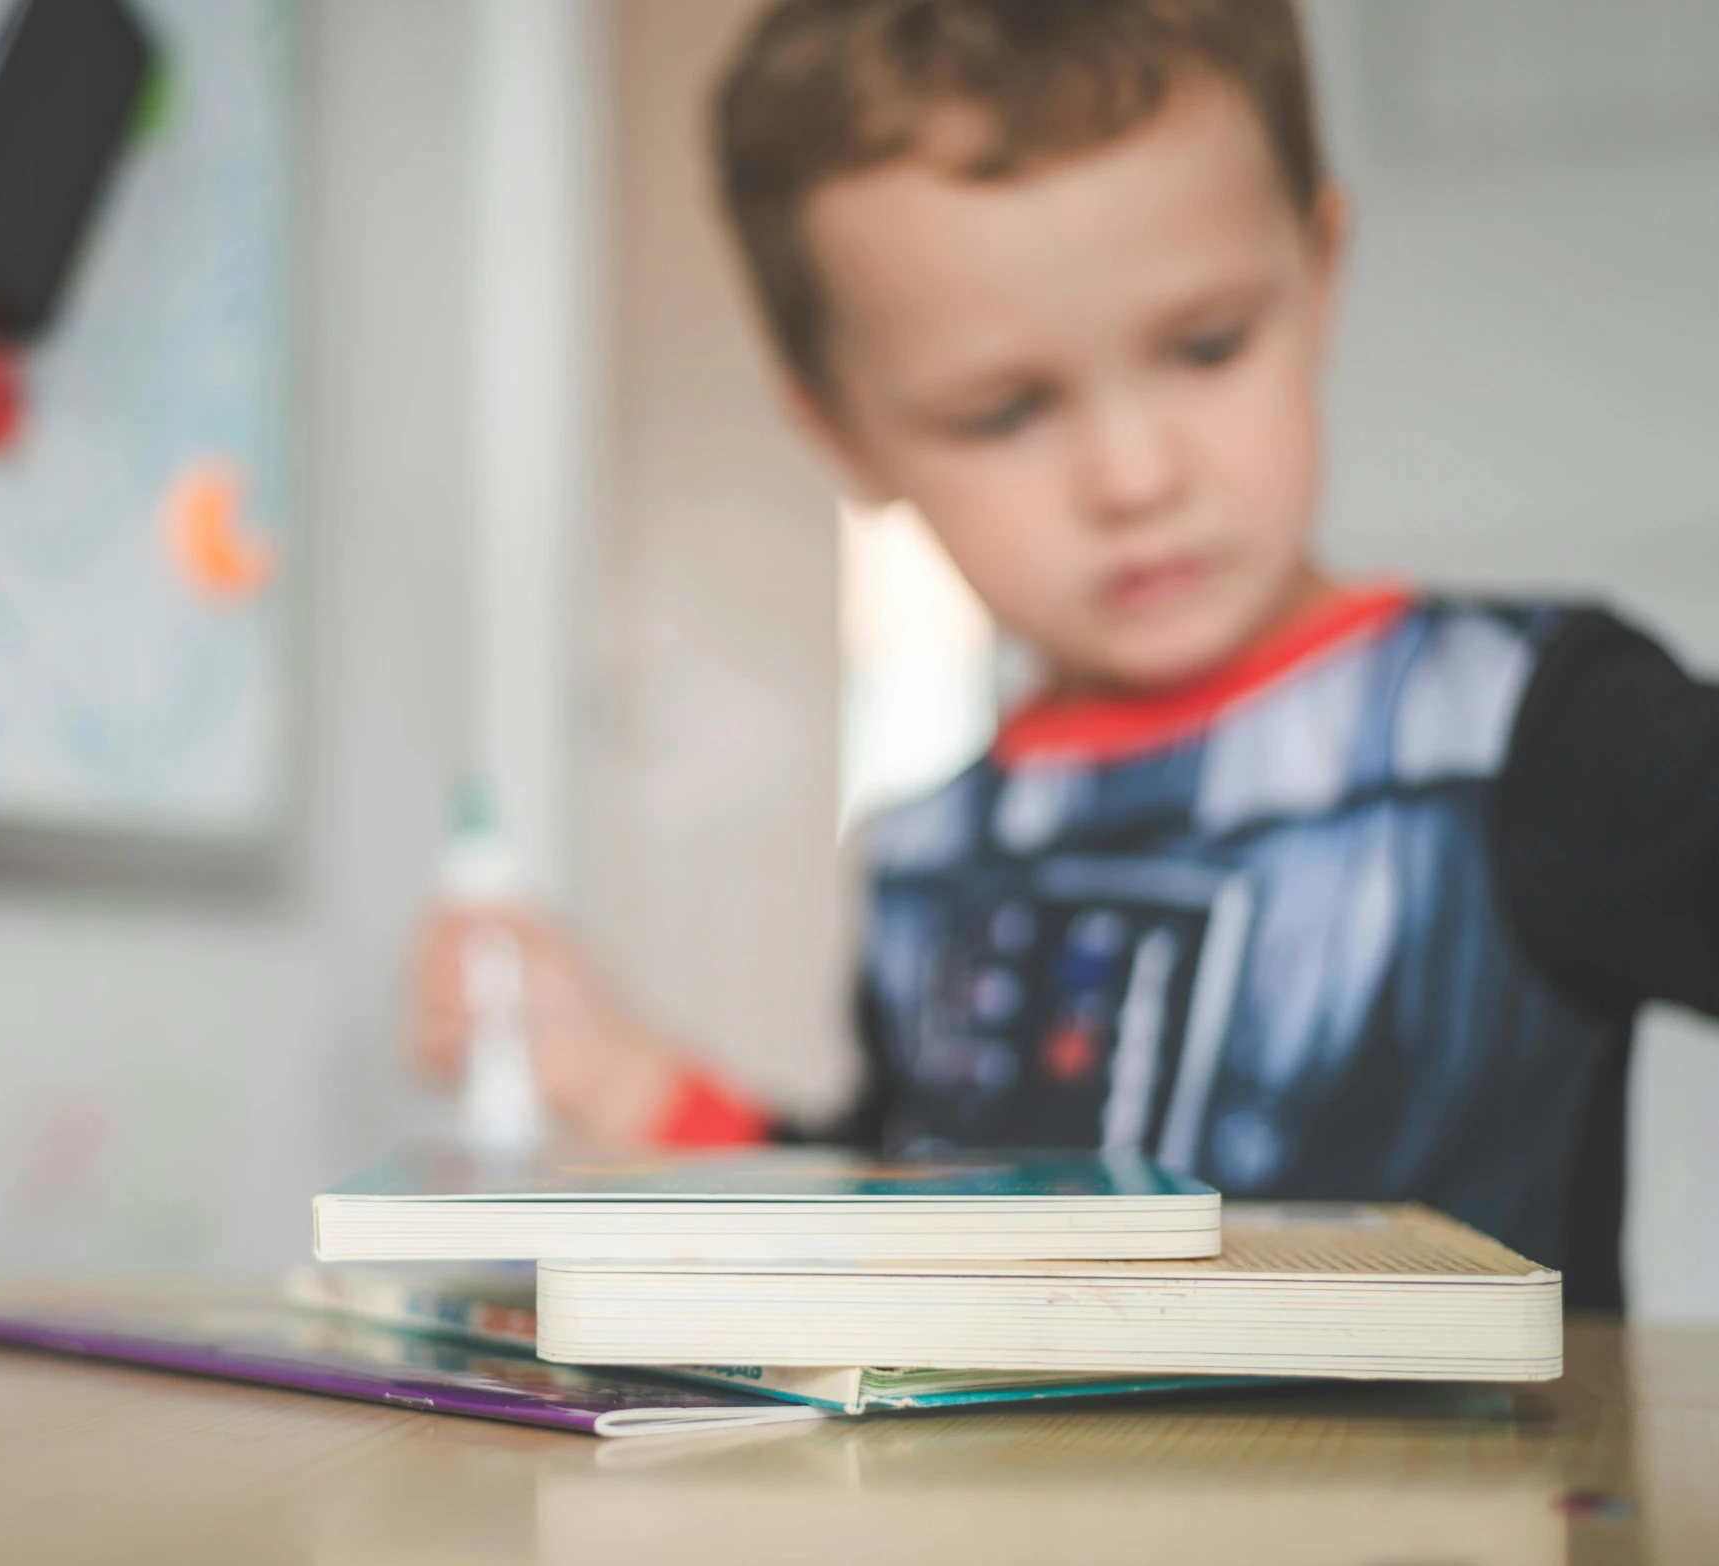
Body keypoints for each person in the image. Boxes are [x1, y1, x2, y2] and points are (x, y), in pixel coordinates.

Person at [414, 0, 1719, 1311]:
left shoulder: (1536, 729)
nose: (1135, 474)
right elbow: (894, 1223)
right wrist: (627, 1077)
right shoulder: (933, 854)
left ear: (1319, 272)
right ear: (847, 435)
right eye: (1006, 409)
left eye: (1207, 345)